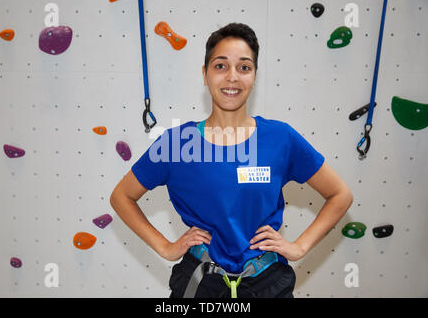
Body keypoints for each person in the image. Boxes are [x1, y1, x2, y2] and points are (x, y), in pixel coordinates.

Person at [110, 23, 353, 298]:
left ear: (254, 76)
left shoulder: (280, 138)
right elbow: (122, 196)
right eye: (221, 66)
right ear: (205, 74)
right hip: (200, 286)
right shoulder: (177, 143)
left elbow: (340, 194)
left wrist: (299, 247)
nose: (232, 77)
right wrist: (166, 247)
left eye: (244, 67)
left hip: (268, 285)